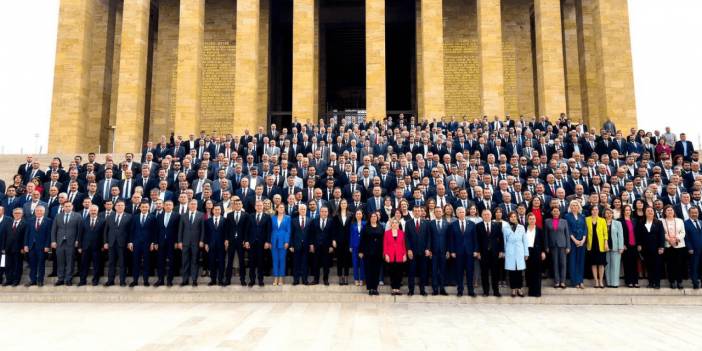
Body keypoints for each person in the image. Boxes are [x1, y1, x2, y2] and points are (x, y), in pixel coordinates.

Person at [449, 206, 479, 297]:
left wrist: (476, 250)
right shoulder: (452, 225)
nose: (462, 214)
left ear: (465, 213)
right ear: (457, 214)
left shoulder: (472, 224)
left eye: (463, 212)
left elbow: (475, 239)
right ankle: (460, 290)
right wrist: (452, 251)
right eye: (460, 212)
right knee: (459, 272)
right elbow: (451, 239)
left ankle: (471, 291)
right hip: (458, 252)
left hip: (470, 252)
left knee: (470, 272)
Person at [104, 200, 132, 287]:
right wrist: (105, 242)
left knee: (122, 263)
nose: (120, 207)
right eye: (118, 205)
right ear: (115, 207)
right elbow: (106, 231)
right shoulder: (110, 217)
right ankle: (110, 280)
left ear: (124, 207)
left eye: (122, 205)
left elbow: (131, 231)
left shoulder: (129, 217)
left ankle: (122, 281)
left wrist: (129, 242)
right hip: (112, 243)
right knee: (111, 263)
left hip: (123, 244)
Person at [476, 208, 503, 297]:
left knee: (495, 273)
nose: (486, 216)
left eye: (488, 214)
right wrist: (478, 252)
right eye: (484, 215)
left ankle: (496, 291)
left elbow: (501, 239)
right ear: (482, 216)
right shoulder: (478, 226)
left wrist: (501, 251)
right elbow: (477, 240)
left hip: (495, 253)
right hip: (483, 253)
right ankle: (486, 291)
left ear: (491, 215)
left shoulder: (497, 225)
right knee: (484, 273)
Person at [178, 199, 205, 287]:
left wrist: (201, 240)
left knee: (194, 261)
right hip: (185, 242)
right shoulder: (183, 215)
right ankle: (185, 280)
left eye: (194, 204)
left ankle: (194, 280)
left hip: (196, 243)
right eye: (191, 204)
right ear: (189, 205)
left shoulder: (201, 215)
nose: (193, 205)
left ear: (197, 205)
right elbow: (180, 230)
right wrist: (179, 242)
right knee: (184, 261)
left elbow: (203, 230)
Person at [637, 207, 665, 289]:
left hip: (656, 248)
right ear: (645, 213)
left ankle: (657, 283)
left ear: (654, 212)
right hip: (645, 248)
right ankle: (651, 282)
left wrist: (661, 247)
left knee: (656, 265)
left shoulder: (659, 222)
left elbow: (661, 235)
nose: (650, 212)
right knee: (648, 266)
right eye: (648, 211)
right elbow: (638, 235)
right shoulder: (641, 222)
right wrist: (639, 244)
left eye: (651, 211)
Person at [405, 205, 430, 296]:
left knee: (423, 272)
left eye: (418, 211)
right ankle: (411, 290)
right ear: (413, 212)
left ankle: (422, 290)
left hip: (423, 252)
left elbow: (428, 237)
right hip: (412, 252)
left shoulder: (426, 223)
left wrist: (428, 249)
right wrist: (408, 250)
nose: (417, 212)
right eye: (415, 211)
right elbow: (406, 238)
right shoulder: (408, 223)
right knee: (411, 271)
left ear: (421, 212)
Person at [129, 201, 156, 287]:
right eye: (143, 207)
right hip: (136, 243)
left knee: (146, 262)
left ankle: (145, 280)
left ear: (149, 208)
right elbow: (131, 231)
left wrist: (153, 242)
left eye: (146, 207)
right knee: (135, 262)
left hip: (147, 244)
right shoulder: (135, 217)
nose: (144, 208)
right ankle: (135, 280)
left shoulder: (152, 217)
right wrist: (130, 242)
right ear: (140, 208)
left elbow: (154, 231)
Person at [226, 197, 251, 286]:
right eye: (236, 204)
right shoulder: (229, 215)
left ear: (242, 205)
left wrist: (246, 240)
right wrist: (226, 240)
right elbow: (227, 229)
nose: (238, 205)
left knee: (241, 261)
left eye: (239, 204)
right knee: (230, 261)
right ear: (233, 205)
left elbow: (247, 229)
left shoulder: (246, 215)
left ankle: (242, 279)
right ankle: (227, 280)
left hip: (241, 241)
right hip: (231, 241)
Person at [503, 211, 528, 297]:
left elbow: (525, 241)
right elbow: (504, 241)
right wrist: (505, 252)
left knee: (519, 272)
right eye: (511, 217)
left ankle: (519, 289)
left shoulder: (521, 227)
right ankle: (513, 289)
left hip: (520, 251)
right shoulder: (505, 228)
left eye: (514, 216)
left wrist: (526, 253)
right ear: (509, 218)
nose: (513, 218)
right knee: (512, 272)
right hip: (510, 251)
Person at [24, 205, 51, 287]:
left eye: (40, 211)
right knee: (32, 264)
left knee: (41, 264)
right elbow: (27, 234)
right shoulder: (30, 220)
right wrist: (25, 245)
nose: (38, 212)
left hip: (42, 247)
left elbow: (49, 235)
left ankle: (40, 280)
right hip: (31, 246)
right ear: (35, 212)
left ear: (44, 212)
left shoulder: (48, 221)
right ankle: (33, 280)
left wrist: (47, 246)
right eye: (37, 211)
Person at [78, 205, 104, 286]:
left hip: (97, 247)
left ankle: (95, 280)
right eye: (92, 210)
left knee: (97, 265)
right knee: (84, 265)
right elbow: (80, 234)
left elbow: (103, 235)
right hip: (85, 247)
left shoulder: (102, 221)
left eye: (95, 210)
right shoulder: (83, 221)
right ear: (89, 211)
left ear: (97, 211)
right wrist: (79, 246)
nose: (93, 212)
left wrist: (103, 245)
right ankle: (82, 281)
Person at [155, 200, 180, 287]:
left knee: (171, 262)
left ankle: (169, 280)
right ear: (163, 206)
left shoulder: (177, 216)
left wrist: (177, 241)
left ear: (173, 206)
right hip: (161, 242)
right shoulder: (159, 216)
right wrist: (156, 242)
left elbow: (178, 230)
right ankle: (160, 279)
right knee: (160, 261)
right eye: (166, 205)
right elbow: (157, 230)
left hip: (172, 242)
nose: (168, 206)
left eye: (170, 205)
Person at [661, 205, 686, 289]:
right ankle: (672, 281)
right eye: (668, 210)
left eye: (671, 210)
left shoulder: (679, 220)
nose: (670, 212)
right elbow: (662, 232)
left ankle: (679, 281)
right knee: (670, 264)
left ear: (674, 211)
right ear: (665, 212)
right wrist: (669, 239)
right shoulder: (661, 221)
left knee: (679, 264)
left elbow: (683, 232)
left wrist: (676, 239)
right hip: (668, 245)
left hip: (679, 245)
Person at [545, 206, 570, 288]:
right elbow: (546, 235)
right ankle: (556, 281)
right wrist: (547, 246)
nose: (556, 213)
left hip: (563, 245)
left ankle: (562, 282)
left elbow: (567, 234)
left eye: (557, 211)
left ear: (559, 212)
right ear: (552, 212)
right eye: (554, 211)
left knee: (563, 264)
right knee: (555, 264)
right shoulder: (547, 221)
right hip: (553, 246)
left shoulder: (564, 221)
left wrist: (568, 246)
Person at [359, 212, 384, 295]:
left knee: (376, 271)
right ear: (369, 218)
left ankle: (375, 288)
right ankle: (370, 288)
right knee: (369, 270)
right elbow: (362, 240)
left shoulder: (381, 227)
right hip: (368, 252)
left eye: (375, 216)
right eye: (372, 216)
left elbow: (383, 240)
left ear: (377, 218)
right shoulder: (365, 227)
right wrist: (361, 251)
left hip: (378, 252)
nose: (373, 217)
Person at [2, 208, 26, 286]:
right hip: (8, 248)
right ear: (12, 214)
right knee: (8, 265)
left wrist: (23, 247)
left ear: (22, 214)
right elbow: (4, 236)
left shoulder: (25, 224)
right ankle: (9, 280)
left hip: (19, 249)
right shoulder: (8, 223)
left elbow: (25, 237)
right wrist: (3, 247)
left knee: (17, 265)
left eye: (19, 213)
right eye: (15, 213)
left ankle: (16, 280)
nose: (17, 214)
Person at [566, 200, 587, 288]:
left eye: (576, 205)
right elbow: (568, 229)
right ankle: (574, 282)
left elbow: (585, 229)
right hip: (572, 241)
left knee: (580, 262)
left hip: (581, 242)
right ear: (570, 207)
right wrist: (575, 240)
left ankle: (580, 281)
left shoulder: (582, 216)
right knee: (573, 261)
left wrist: (583, 240)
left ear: (579, 207)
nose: (574, 207)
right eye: (573, 205)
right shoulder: (567, 216)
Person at [429, 207, 450, 295]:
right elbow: (429, 237)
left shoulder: (447, 224)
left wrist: (448, 250)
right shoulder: (431, 223)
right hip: (433, 251)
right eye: (436, 211)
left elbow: (449, 238)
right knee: (434, 270)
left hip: (444, 251)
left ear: (442, 213)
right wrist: (429, 250)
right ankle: (435, 289)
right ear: (434, 213)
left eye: (440, 211)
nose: (438, 213)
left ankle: (442, 288)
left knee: (443, 270)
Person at [586, 206, 608, 288]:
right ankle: (596, 281)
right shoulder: (587, 219)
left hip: (600, 244)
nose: (595, 211)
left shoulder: (602, 220)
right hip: (591, 244)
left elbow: (605, 233)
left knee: (601, 263)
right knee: (593, 263)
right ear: (591, 211)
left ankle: (601, 281)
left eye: (596, 209)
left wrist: (606, 242)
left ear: (598, 211)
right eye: (593, 210)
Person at [525, 212, 546, 297]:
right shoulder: (524, 229)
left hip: (537, 251)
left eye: (533, 219)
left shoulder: (539, 229)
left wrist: (543, 252)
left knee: (537, 272)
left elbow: (543, 241)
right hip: (527, 252)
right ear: (528, 220)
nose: (532, 220)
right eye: (530, 219)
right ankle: (530, 291)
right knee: (529, 271)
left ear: (535, 220)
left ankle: (537, 292)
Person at [383, 218, 407, 296]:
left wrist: (404, 254)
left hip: (400, 255)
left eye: (396, 223)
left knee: (399, 273)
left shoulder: (402, 233)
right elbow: (385, 245)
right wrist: (386, 254)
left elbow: (404, 245)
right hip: (390, 255)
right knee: (392, 272)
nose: (394, 224)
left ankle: (398, 289)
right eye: (393, 223)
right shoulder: (387, 233)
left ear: (398, 224)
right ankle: (393, 289)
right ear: (391, 224)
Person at [312, 206, 334, 285]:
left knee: (326, 264)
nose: (324, 213)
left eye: (325, 211)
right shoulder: (314, 221)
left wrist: (331, 246)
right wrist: (311, 245)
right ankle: (316, 280)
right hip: (316, 246)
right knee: (316, 263)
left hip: (327, 246)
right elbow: (312, 234)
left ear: (328, 213)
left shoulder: (331, 221)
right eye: (322, 211)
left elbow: (332, 234)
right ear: (319, 212)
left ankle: (325, 279)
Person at [205, 205, 226, 286]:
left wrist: (226, 242)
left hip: (221, 245)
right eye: (215, 209)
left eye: (218, 210)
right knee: (212, 263)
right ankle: (213, 280)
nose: (217, 211)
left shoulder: (225, 220)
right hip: (211, 245)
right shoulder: (208, 221)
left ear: (221, 211)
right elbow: (206, 234)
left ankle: (220, 280)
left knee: (221, 263)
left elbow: (226, 233)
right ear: (212, 211)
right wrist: (206, 243)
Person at [620, 205, 640, 288]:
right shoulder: (620, 221)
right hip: (626, 245)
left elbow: (638, 233)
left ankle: (635, 281)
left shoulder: (635, 220)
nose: (628, 211)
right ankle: (629, 281)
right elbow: (620, 234)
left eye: (629, 210)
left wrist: (639, 244)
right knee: (627, 263)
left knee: (635, 263)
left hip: (634, 245)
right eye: (626, 210)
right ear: (623, 211)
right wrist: (622, 244)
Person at [270, 203, 291, 286]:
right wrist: (270, 241)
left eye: (283, 207)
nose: (282, 209)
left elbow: (288, 231)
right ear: (277, 209)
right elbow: (270, 230)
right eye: (280, 207)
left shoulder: (288, 218)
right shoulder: (272, 218)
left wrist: (287, 242)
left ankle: (281, 278)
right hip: (274, 241)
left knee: (282, 260)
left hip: (283, 242)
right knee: (275, 260)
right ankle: (276, 277)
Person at [333, 199, 352, 285]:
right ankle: (340, 277)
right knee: (339, 259)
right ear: (340, 204)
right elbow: (334, 229)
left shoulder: (351, 215)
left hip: (348, 240)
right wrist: (333, 240)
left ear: (347, 204)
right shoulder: (336, 215)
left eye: (345, 203)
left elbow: (352, 229)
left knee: (346, 259)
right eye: (342, 203)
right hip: (339, 240)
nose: (343, 204)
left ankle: (346, 277)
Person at [290, 204, 310, 285]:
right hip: (296, 244)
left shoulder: (310, 220)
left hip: (306, 245)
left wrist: (311, 245)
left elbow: (311, 234)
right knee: (296, 263)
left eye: (304, 209)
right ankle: (296, 279)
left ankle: (305, 279)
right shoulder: (293, 220)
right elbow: (291, 233)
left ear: (306, 210)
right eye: (301, 209)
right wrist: (291, 245)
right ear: (298, 210)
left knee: (305, 263)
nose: (303, 210)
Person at [604, 208, 624, 288]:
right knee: (607, 265)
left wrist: (621, 247)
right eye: (607, 213)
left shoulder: (618, 223)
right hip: (605, 247)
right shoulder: (602, 222)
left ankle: (615, 283)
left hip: (615, 247)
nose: (609, 214)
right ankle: (609, 282)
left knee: (615, 266)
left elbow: (620, 236)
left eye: (610, 213)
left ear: (612, 214)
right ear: (604, 214)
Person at [684, 207, 702, 289]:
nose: (695, 214)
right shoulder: (685, 223)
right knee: (694, 266)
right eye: (693, 213)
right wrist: (689, 248)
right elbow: (686, 237)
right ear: (689, 213)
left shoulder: (701, 222)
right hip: (693, 250)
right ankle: (695, 283)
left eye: (696, 213)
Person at [349, 209, 365, 286]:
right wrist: (350, 246)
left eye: (360, 214)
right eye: (357, 214)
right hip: (354, 246)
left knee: (362, 264)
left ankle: (362, 279)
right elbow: (350, 236)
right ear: (355, 215)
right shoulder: (352, 224)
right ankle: (356, 279)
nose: (358, 215)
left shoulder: (365, 224)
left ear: (362, 215)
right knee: (355, 263)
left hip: (362, 247)